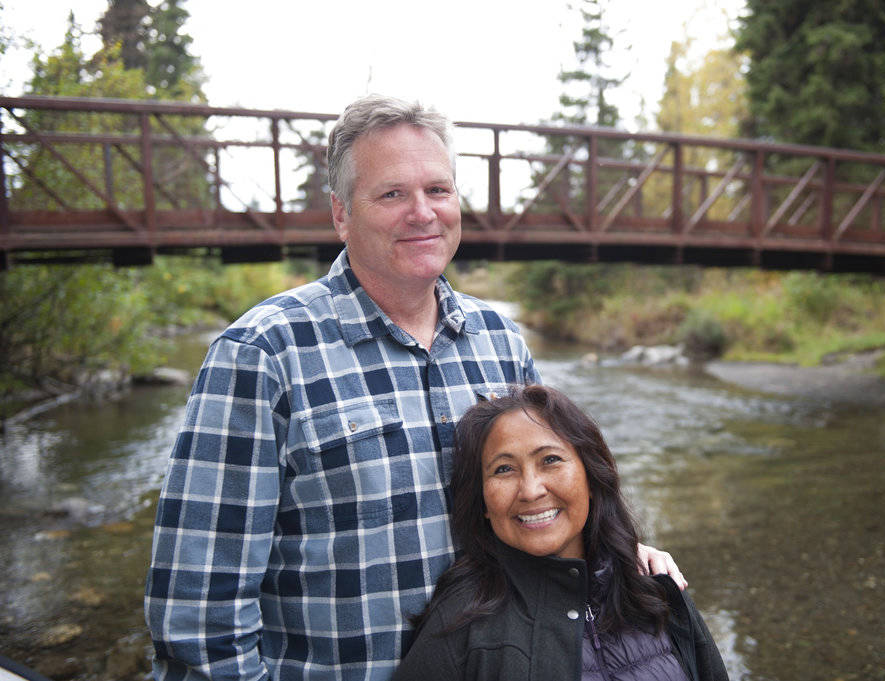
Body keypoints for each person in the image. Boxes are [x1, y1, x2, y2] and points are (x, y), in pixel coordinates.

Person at [144, 94, 684, 681]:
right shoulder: (263, 354)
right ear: (341, 214)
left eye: (438, 190)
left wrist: (618, 556)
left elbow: (545, 509)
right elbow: (200, 610)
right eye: (392, 194)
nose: (423, 213)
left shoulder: (501, 341)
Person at [393, 384, 728, 681]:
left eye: (550, 460)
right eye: (504, 469)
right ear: (482, 501)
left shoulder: (654, 586)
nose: (531, 490)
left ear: (592, 478)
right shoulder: (460, 621)